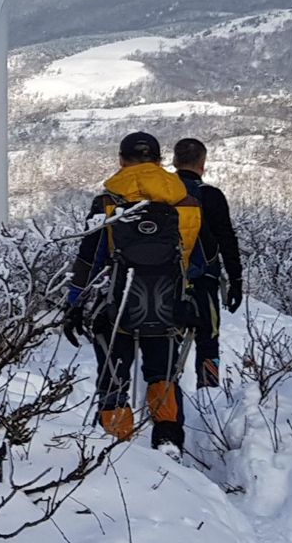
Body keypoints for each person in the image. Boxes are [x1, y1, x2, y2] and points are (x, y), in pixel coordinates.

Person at [61, 130, 202, 450]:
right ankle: (168, 442)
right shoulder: (187, 201)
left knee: (113, 379)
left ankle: (117, 448)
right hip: (167, 307)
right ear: (159, 160)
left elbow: (89, 258)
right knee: (163, 377)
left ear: (122, 161)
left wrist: (74, 302)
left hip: (116, 308)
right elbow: (191, 259)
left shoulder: (107, 201)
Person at [173, 136, 242, 390]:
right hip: (205, 279)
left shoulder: (162, 194)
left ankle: (165, 396)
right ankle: (208, 393)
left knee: (168, 341)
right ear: (203, 164)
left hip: (166, 281)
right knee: (208, 338)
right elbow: (227, 240)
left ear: (174, 161)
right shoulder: (211, 196)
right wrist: (236, 281)